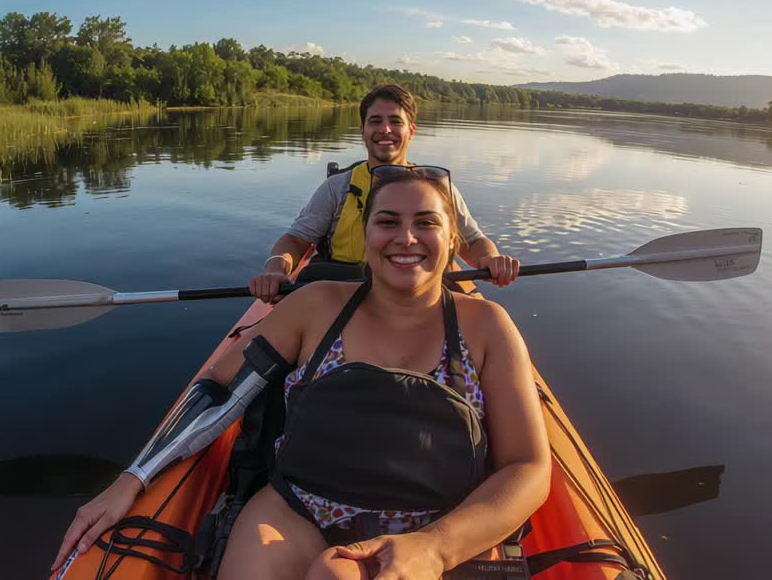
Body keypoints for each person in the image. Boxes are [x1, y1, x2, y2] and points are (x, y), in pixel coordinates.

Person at [52, 166, 550, 579]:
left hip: (438, 523)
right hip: (298, 512)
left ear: (451, 237)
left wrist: (436, 548)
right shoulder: (314, 306)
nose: (406, 238)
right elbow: (218, 387)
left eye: (426, 222)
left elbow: (527, 467)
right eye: (387, 221)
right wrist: (132, 479)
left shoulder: (486, 327)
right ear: (367, 233)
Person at [249, 84, 520, 303]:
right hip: (342, 294)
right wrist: (275, 267)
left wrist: (491, 260)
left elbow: (471, 242)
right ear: (363, 131)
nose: (385, 130)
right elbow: (295, 241)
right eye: (375, 121)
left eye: (395, 121)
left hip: (417, 297)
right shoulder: (337, 188)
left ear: (411, 130)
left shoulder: (438, 189)